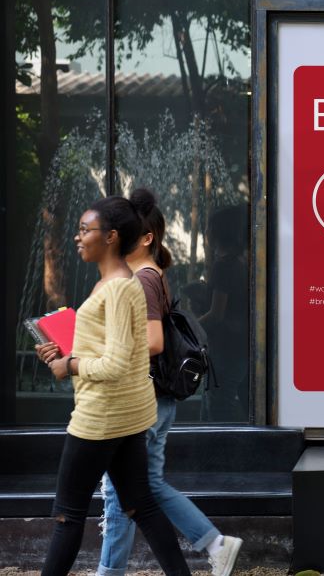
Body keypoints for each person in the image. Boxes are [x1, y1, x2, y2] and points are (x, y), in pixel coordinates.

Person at [34, 196, 190, 576]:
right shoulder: (115, 283)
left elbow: (118, 363)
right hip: (126, 416)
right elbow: (118, 348)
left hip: (101, 419)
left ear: (112, 237)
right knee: (141, 505)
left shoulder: (120, 288)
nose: (78, 237)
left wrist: (69, 365)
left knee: (66, 516)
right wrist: (65, 350)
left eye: (86, 230)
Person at [97, 189, 243, 576]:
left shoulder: (143, 280)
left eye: (120, 234)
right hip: (158, 401)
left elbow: (154, 342)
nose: (112, 241)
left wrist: (100, 353)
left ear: (145, 238)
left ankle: (108, 572)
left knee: (118, 492)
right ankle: (216, 543)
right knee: (148, 485)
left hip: (141, 400)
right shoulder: (153, 275)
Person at [200, 204, 250, 422]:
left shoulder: (223, 266)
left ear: (219, 232)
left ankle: (222, 454)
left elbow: (216, 315)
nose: (206, 232)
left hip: (225, 350)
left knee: (220, 408)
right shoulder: (241, 263)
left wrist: (188, 327)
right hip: (239, 348)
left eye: (209, 227)